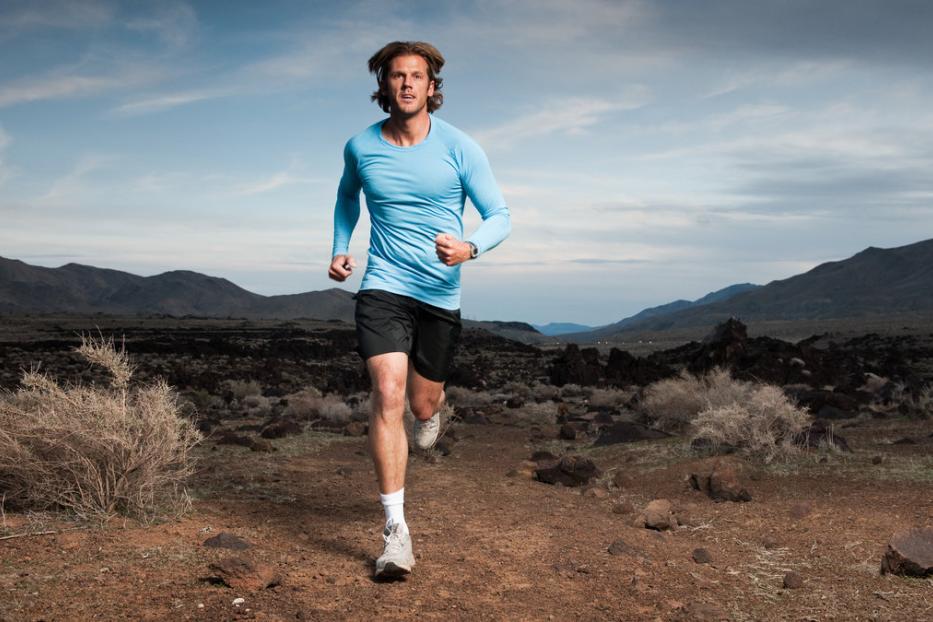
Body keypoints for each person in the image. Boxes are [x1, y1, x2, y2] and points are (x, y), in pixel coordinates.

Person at [327, 40, 511, 578]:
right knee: (387, 394)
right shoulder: (360, 147)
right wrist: (341, 246)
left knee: (422, 405)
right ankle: (395, 532)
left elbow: (499, 213)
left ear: (433, 87)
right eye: (397, 76)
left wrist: (470, 247)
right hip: (383, 284)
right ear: (383, 86)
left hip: (439, 293)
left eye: (416, 76)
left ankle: (432, 411)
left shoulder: (460, 147)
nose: (406, 83)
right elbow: (346, 198)